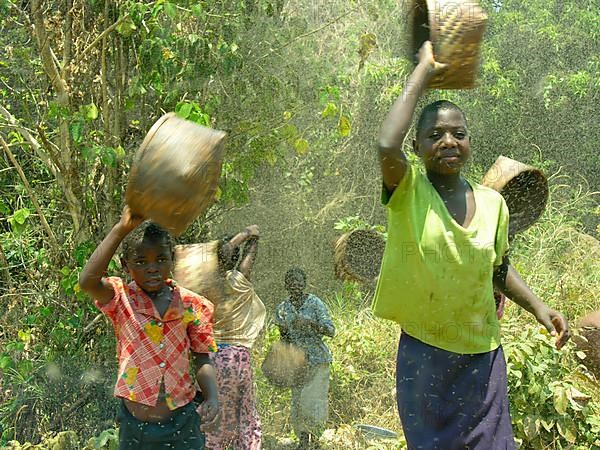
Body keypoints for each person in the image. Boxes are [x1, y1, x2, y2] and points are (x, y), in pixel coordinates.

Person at [372, 41, 570, 449]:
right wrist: (423, 71)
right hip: (424, 355)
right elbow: (386, 145)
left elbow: (497, 268)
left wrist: (538, 307)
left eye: (458, 134)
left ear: (469, 143)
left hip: (482, 356)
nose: (448, 141)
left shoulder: (493, 204)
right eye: (435, 134)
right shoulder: (408, 190)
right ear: (417, 147)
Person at [79, 206, 220, 449]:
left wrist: (213, 398)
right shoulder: (121, 299)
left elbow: (201, 357)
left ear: (172, 260)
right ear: (125, 265)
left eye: (161, 259)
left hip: (183, 419)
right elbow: (87, 281)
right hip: (136, 424)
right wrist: (121, 229)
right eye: (141, 261)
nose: (152, 268)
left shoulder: (191, 304)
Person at [205, 225, 265, 450]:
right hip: (238, 358)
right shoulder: (239, 281)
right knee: (245, 413)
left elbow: (223, 252)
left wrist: (243, 235)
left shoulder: (206, 284)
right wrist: (252, 236)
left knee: (215, 413)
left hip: (210, 358)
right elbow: (249, 257)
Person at [274, 268, 335, 450]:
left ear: (305, 283)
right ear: (286, 285)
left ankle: (315, 442)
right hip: (297, 363)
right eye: (291, 281)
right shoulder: (282, 309)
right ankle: (302, 442)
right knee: (298, 403)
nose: (296, 284)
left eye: (299, 281)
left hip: (317, 361)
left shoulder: (315, 303)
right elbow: (284, 338)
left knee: (313, 402)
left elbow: (331, 330)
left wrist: (310, 323)